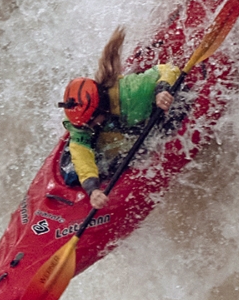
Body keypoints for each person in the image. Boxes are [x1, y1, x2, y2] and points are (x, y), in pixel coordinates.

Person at [57, 27, 180, 209]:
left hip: (152, 115)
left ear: (101, 108)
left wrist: (161, 90)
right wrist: (93, 189)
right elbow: (80, 152)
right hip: (119, 133)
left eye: (89, 122)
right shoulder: (82, 123)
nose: (86, 127)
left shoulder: (134, 91)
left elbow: (169, 69)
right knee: (71, 174)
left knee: (162, 130)